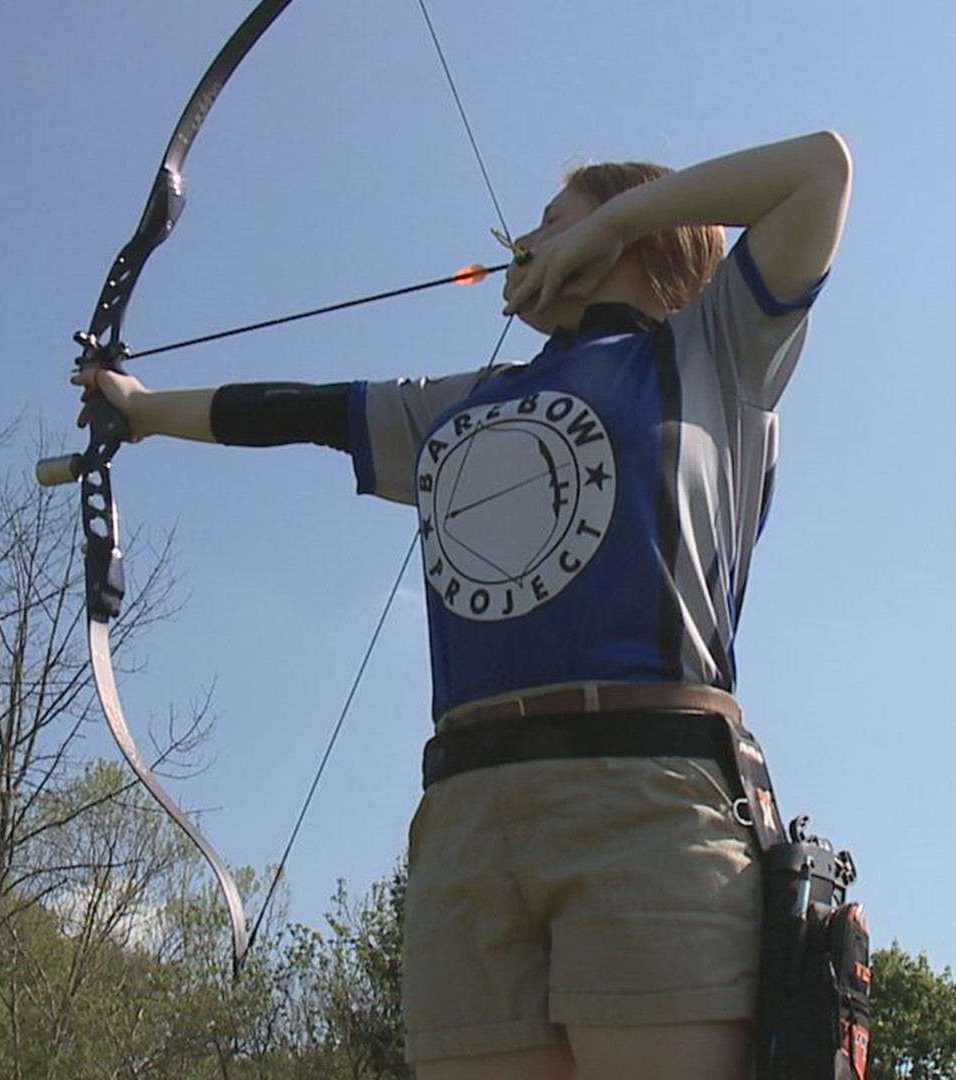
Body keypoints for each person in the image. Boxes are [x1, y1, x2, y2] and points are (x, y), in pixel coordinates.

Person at [73, 130, 852, 1080]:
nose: (526, 241)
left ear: (627, 232)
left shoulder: (716, 352)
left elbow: (821, 169)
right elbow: (307, 413)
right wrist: (140, 408)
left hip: (650, 794)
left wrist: (609, 217)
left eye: (551, 224)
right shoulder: (464, 404)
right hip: (467, 811)